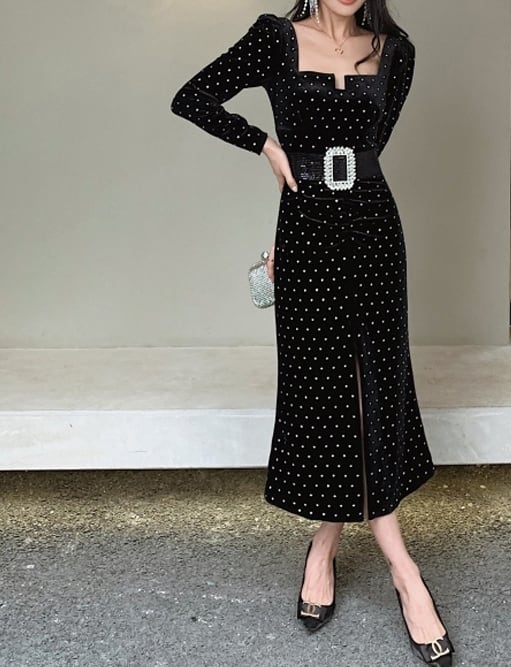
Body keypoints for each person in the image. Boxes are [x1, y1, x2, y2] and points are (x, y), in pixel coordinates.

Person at [171, 1, 454, 664]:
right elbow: (192, 97)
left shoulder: (395, 50)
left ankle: (329, 546)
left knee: (374, 384)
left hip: (374, 227)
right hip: (305, 231)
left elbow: (370, 149)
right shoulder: (275, 38)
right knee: (324, 389)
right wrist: (265, 146)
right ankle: (402, 568)